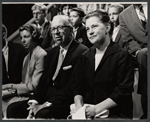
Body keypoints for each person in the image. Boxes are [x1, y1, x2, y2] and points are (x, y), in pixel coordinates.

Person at [7, 15, 88, 119]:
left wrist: (46, 104)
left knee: (43, 114)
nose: (56, 32)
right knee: (13, 109)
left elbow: (73, 88)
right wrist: (34, 101)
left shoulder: (82, 51)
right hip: (46, 98)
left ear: (71, 30)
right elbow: (43, 82)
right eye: (53, 29)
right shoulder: (52, 52)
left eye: (60, 27)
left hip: (64, 101)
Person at [71, 9, 134, 119]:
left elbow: (122, 91)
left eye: (94, 26)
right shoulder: (84, 56)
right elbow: (78, 87)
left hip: (116, 113)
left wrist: (95, 110)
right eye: (87, 29)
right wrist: (79, 108)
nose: (90, 32)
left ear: (107, 28)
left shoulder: (122, 55)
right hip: (88, 111)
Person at [3, 24, 47, 119]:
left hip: (35, 97)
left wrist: (9, 86)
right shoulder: (27, 57)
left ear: (34, 37)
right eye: (21, 37)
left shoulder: (41, 54)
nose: (22, 41)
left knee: (11, 107)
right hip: (25, 94)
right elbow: (24, 83)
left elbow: (34, 86)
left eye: (26, 37)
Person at [119, 4, 148, 119]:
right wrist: (137, 52)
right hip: (142, 54)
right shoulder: (124, 15)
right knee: (143, 55)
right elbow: (128, 39)